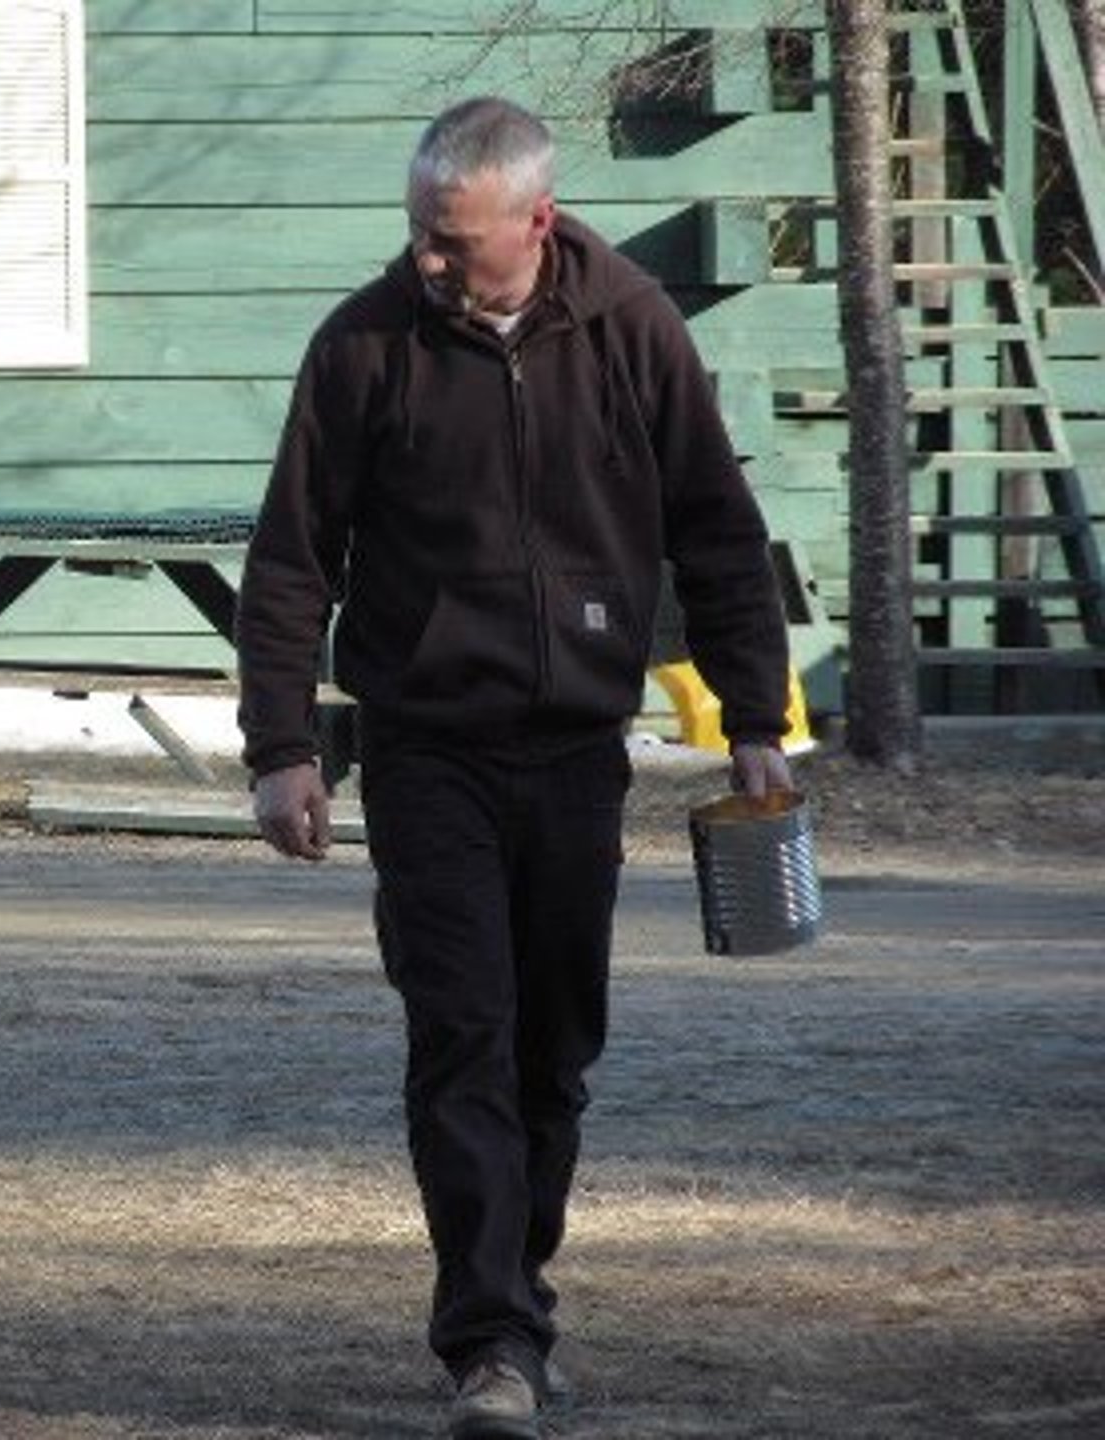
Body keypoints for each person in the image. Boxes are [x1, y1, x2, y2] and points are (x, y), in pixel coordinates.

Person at [233, 97, 794, 1440]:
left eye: (452, 240)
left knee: (554, 1050)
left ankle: (518, 1301)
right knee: (463, 1037)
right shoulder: (363, 345)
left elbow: (718, 529)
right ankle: (487, 1341)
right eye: (419, 234)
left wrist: (756, 716)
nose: (426, 261)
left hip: (576, 752)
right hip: (425, 748)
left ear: (535, 223)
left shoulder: (634, 330)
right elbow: (293, 555)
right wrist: (282, 748)